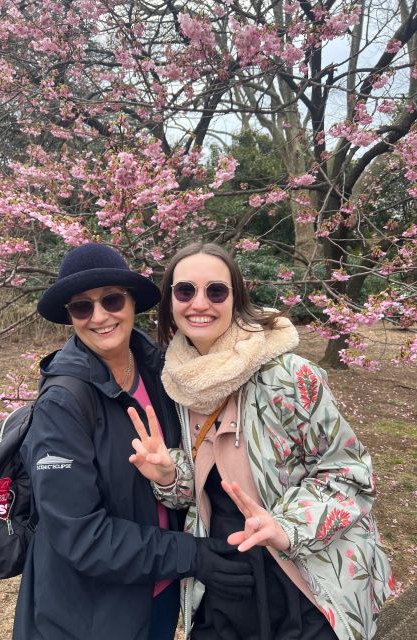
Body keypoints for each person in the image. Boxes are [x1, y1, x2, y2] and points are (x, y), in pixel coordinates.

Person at [129, 242, 393, 640]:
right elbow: (206, 483)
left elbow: (349, 474)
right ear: (170, 303)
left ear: (237, 300)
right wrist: (169, 474)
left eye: (216, 291)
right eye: (185, 291)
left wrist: (284, 525)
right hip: (226, 576)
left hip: (304, 577)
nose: (199, 303)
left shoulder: (289, 375)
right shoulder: (178, 384)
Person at [13, 242, 256, 640]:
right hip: (91, 612)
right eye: (82, 307)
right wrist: (191, 554)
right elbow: (79, 534)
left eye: (111, 300)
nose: (99, 316)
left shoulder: (161, 370)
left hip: (157, 591)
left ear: (130, 303)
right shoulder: (63, 403)